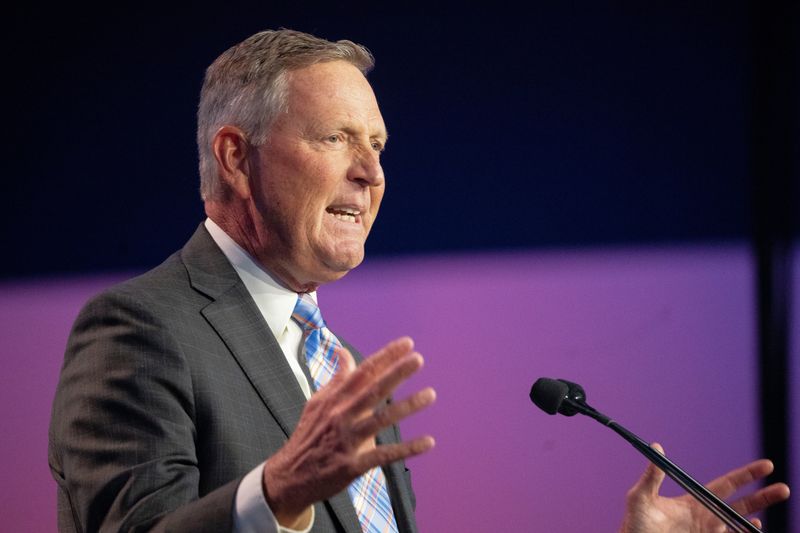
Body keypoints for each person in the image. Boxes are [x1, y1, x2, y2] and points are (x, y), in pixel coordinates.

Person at [49, 29, 789, 533]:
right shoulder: (140, 328)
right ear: (237, 158)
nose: (371, 173)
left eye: (376, 145)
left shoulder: (341, 369)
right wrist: (276, 493)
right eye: (335, 138)